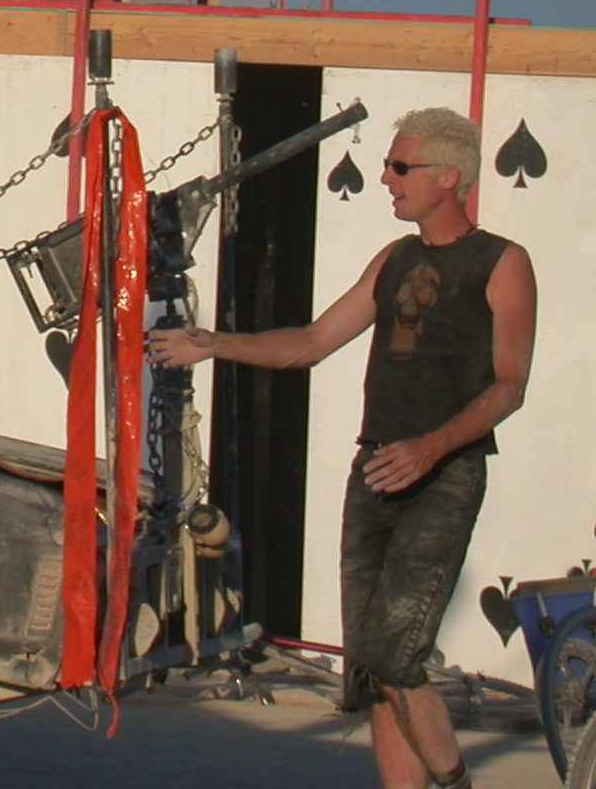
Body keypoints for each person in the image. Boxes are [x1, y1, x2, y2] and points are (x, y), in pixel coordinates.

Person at [149, 109, 536, 789]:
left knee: (396, 656)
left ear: (449, 178)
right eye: (386, 165)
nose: (386, 178)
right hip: (375, 469)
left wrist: (430, 448)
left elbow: (510, 385)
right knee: (368, 669)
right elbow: (312, 341)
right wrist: (214, 344)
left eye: (400, 167)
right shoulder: (394, 258)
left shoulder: (501, 262)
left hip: (443, 474)